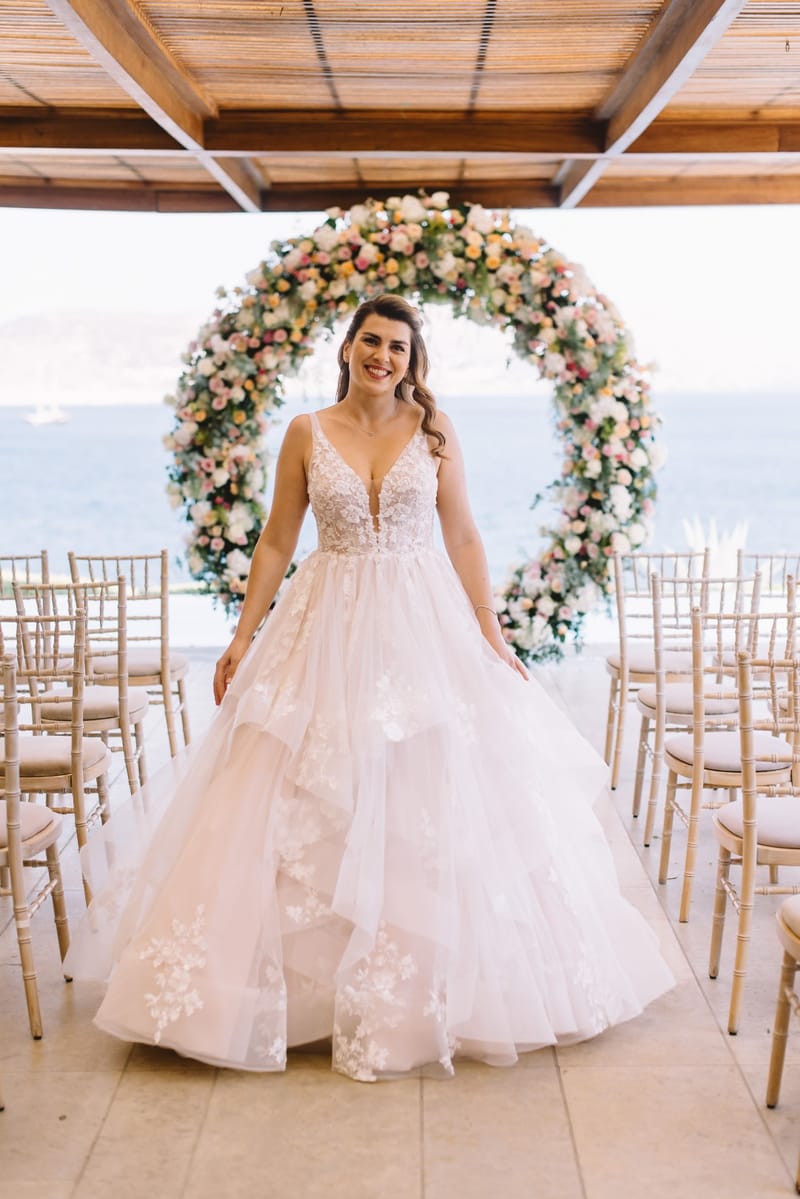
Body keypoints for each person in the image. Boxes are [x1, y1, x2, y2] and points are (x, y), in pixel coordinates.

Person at [66, 294, 673, 1082]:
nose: (383, 356)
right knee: (306, 788)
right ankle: (282, 991)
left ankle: (433, 985)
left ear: (412, 361)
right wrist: (244, 635)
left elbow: (461, 532)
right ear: (348, 348)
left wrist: (491, 632)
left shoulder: (435, 430)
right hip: (326, 623)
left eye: (398, 346)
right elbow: (279, 537)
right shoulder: (305, 432)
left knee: (431, 790)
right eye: (371, 341)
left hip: (423, 626)